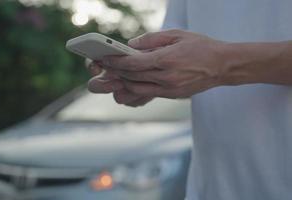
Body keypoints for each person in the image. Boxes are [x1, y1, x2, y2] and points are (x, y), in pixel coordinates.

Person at [86, 0, 292, 199]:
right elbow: (185, 60)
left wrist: (223, 64)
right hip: (212, 189)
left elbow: (208, 64)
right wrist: (146, 77)